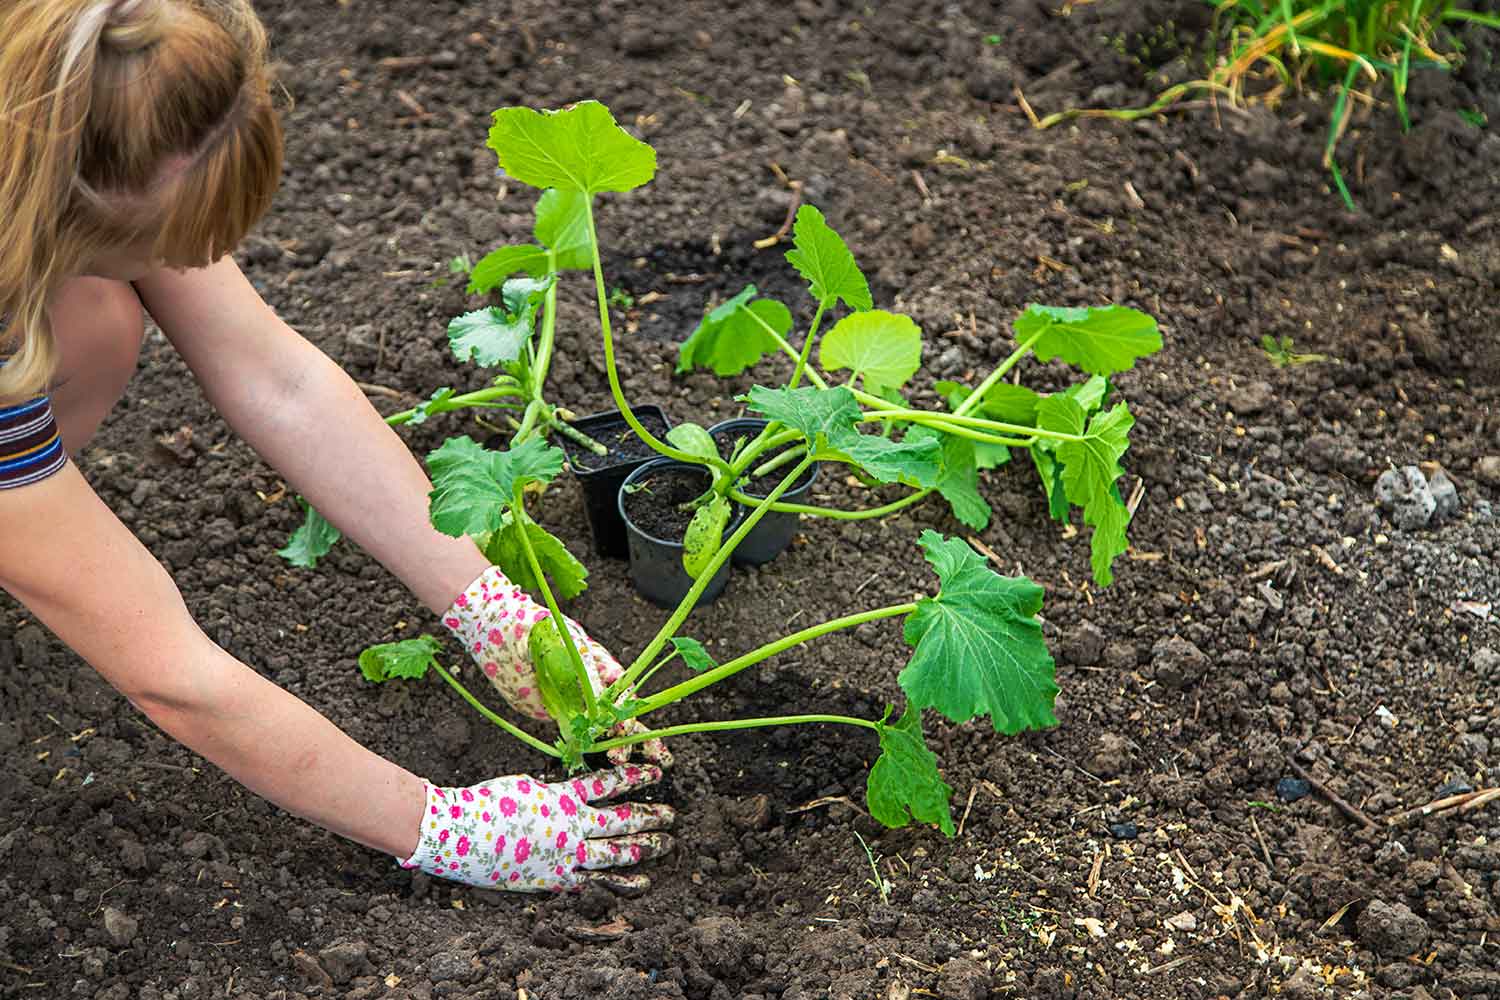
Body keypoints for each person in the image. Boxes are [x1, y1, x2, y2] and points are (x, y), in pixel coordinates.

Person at [0, 0, 673, 893]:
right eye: (151, 242)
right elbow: (171, 673)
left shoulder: (86, 100)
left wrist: (488, 605)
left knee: (94, 316)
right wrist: (442, 824)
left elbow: (276, 380)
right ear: (61, 205)